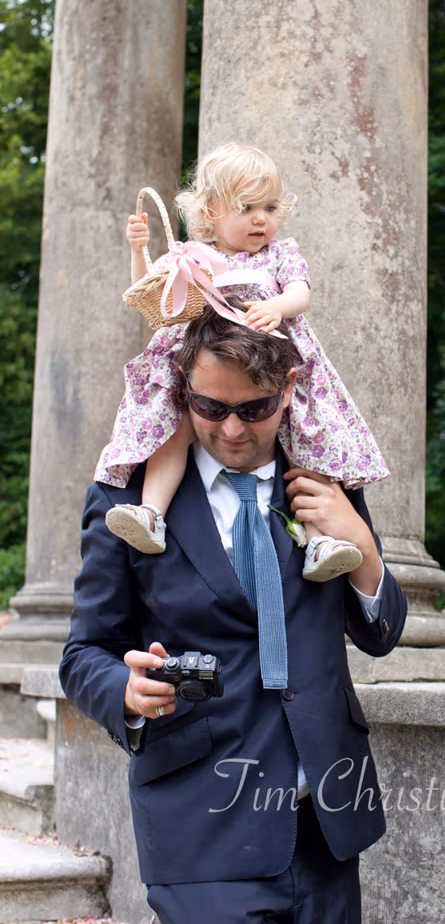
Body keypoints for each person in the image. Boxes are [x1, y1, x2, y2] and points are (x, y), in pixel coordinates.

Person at [59, 304, 408, 924]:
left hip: (325, 822)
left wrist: (360, 543)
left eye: (255, 409)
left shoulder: (329, 481)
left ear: (290, 388)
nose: (232, 431)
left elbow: (381, 633)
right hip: (201, 823)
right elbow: (84, 654)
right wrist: (128, 689)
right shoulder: (125, 497)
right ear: (181, 388)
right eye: (210, 408)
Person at [97, 142, 389, 582]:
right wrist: (139, 251)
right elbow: (155, 295)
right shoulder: (195, 255)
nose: (261, 219)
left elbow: (300, 292)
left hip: (273, 356)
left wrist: (280, 307)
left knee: (307, 443)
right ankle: (152, 513)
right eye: (247, 206)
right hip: (206, 356)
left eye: (270, 207)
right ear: (210, 211)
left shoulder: (280, 253)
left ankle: (322, 538)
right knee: (173, 431)